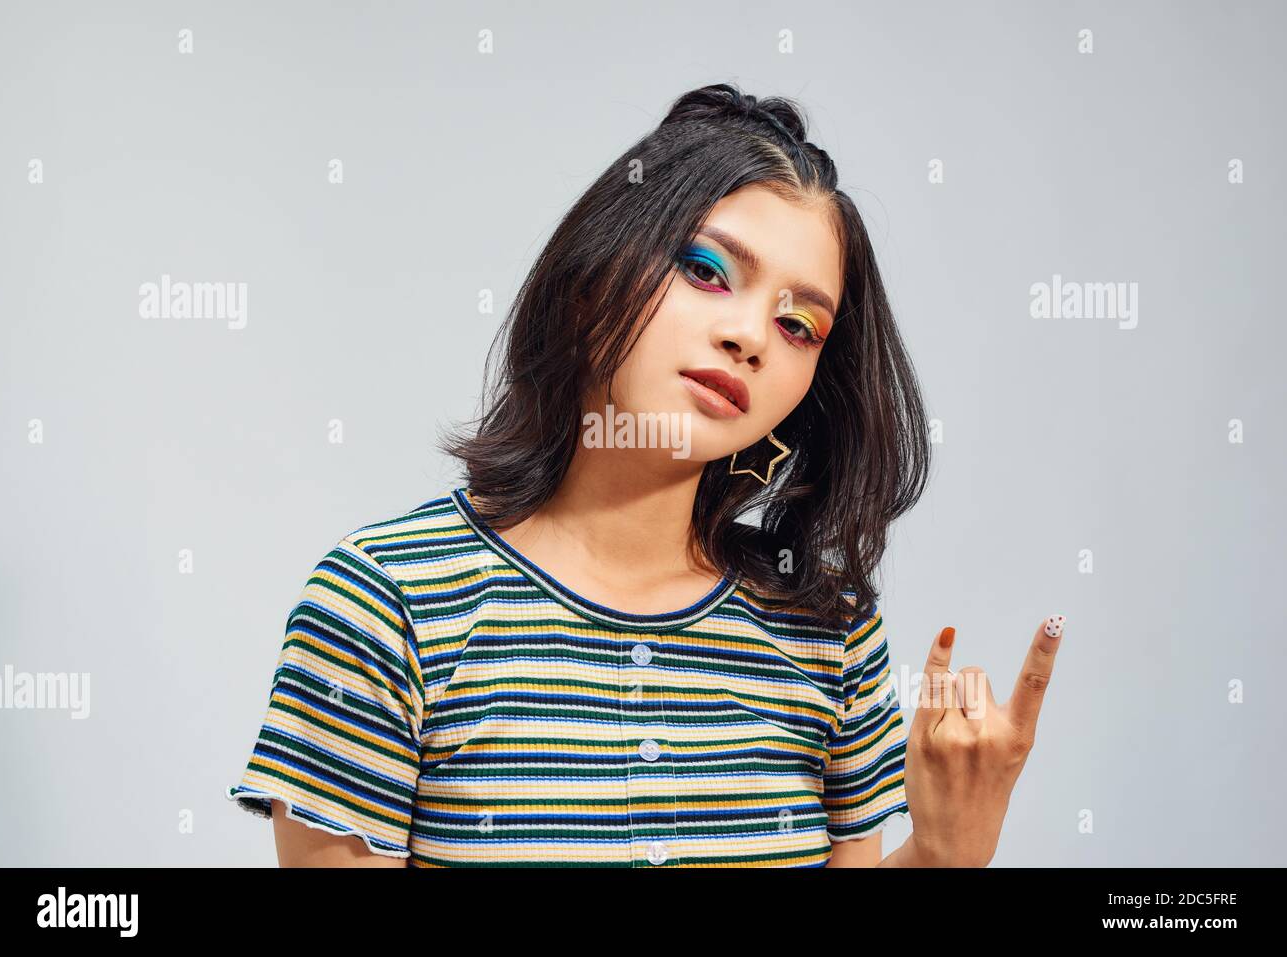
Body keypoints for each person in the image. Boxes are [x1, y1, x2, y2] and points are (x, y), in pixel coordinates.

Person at [224, 83, 1066, 867]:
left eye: (800, 323)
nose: (751, 336)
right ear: (594, 278)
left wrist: (943, 855)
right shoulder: (384, 602)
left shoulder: (828, 628)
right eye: (707, 271)